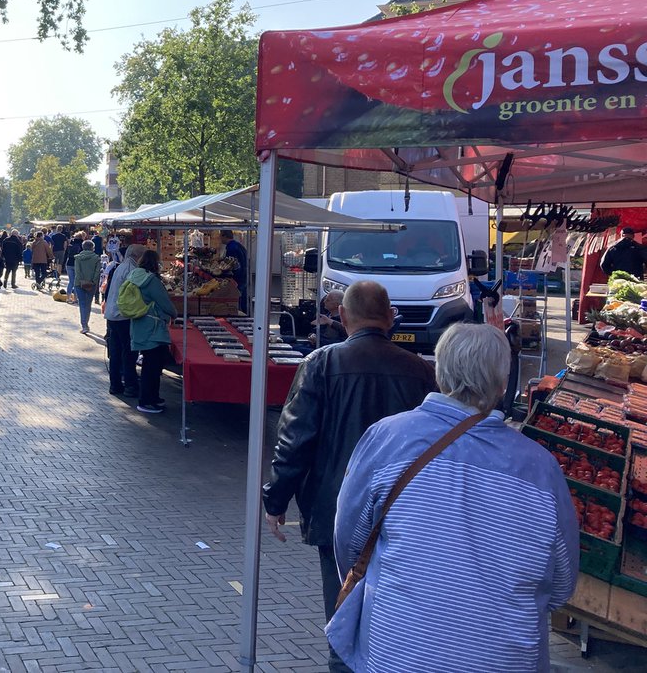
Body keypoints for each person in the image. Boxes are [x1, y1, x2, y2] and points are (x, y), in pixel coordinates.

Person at [328, 322, 579, 672]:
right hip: (506, 659)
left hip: (397, 652)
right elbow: (562, 585)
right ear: (503, 383)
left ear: (439, 372)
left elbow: (349, 543)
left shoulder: (387, 439)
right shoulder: (541, 469)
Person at [261, 280, 435, 673]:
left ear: (342, 316)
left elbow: (295, 440)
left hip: (337, 510)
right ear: (391, 318)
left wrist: (275, 499)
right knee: (393, 619)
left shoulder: (320, 365)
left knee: (342, 621)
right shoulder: (420, 372)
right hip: (403, 513)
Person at [124, 249, 176, 414]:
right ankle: (146, 401)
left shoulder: (134, 276)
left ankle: (152, 397)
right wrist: (174, 313)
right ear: (155, 263)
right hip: (152, 329)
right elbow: (165, 302)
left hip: (139, 326)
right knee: (152, 366)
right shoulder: (151, 280)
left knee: (150, 364)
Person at [103, 243, 145, 397]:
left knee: (116, 351)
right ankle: (130, 385)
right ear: (137, 256)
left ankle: (115, 384)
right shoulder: (131, 270)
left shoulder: (121, 267)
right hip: (123, 316)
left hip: (113, 314)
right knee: (128, 352)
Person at [72, 239, 101, 334]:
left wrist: (81, 281)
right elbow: (97, 272)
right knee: (88, 304)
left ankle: (84, 324)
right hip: (91, 284)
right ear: (92, 248)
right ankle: (86, 323)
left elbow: (77, 271)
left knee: (82, 304)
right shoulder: (96, 258)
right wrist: (93, 281)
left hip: (79, 283)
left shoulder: (78, 258)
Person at [220, 229, 248, 314]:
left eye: (220, 236)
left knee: (237, 298)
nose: (220, 238)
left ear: (225, 236)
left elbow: (230, 265)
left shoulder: (231, 248)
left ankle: (239, 315)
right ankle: (245, 314)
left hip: (237, 278)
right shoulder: (239, 246)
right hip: (244, 276)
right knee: (243, 299)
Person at [63, 230, 85, 302]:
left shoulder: (70, 243)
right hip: (77, 264)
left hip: (69, 263)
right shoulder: (82, 244)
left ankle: (68, 297)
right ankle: (75, 298)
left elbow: (66, 253)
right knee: (76, 281)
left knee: (71, 281)